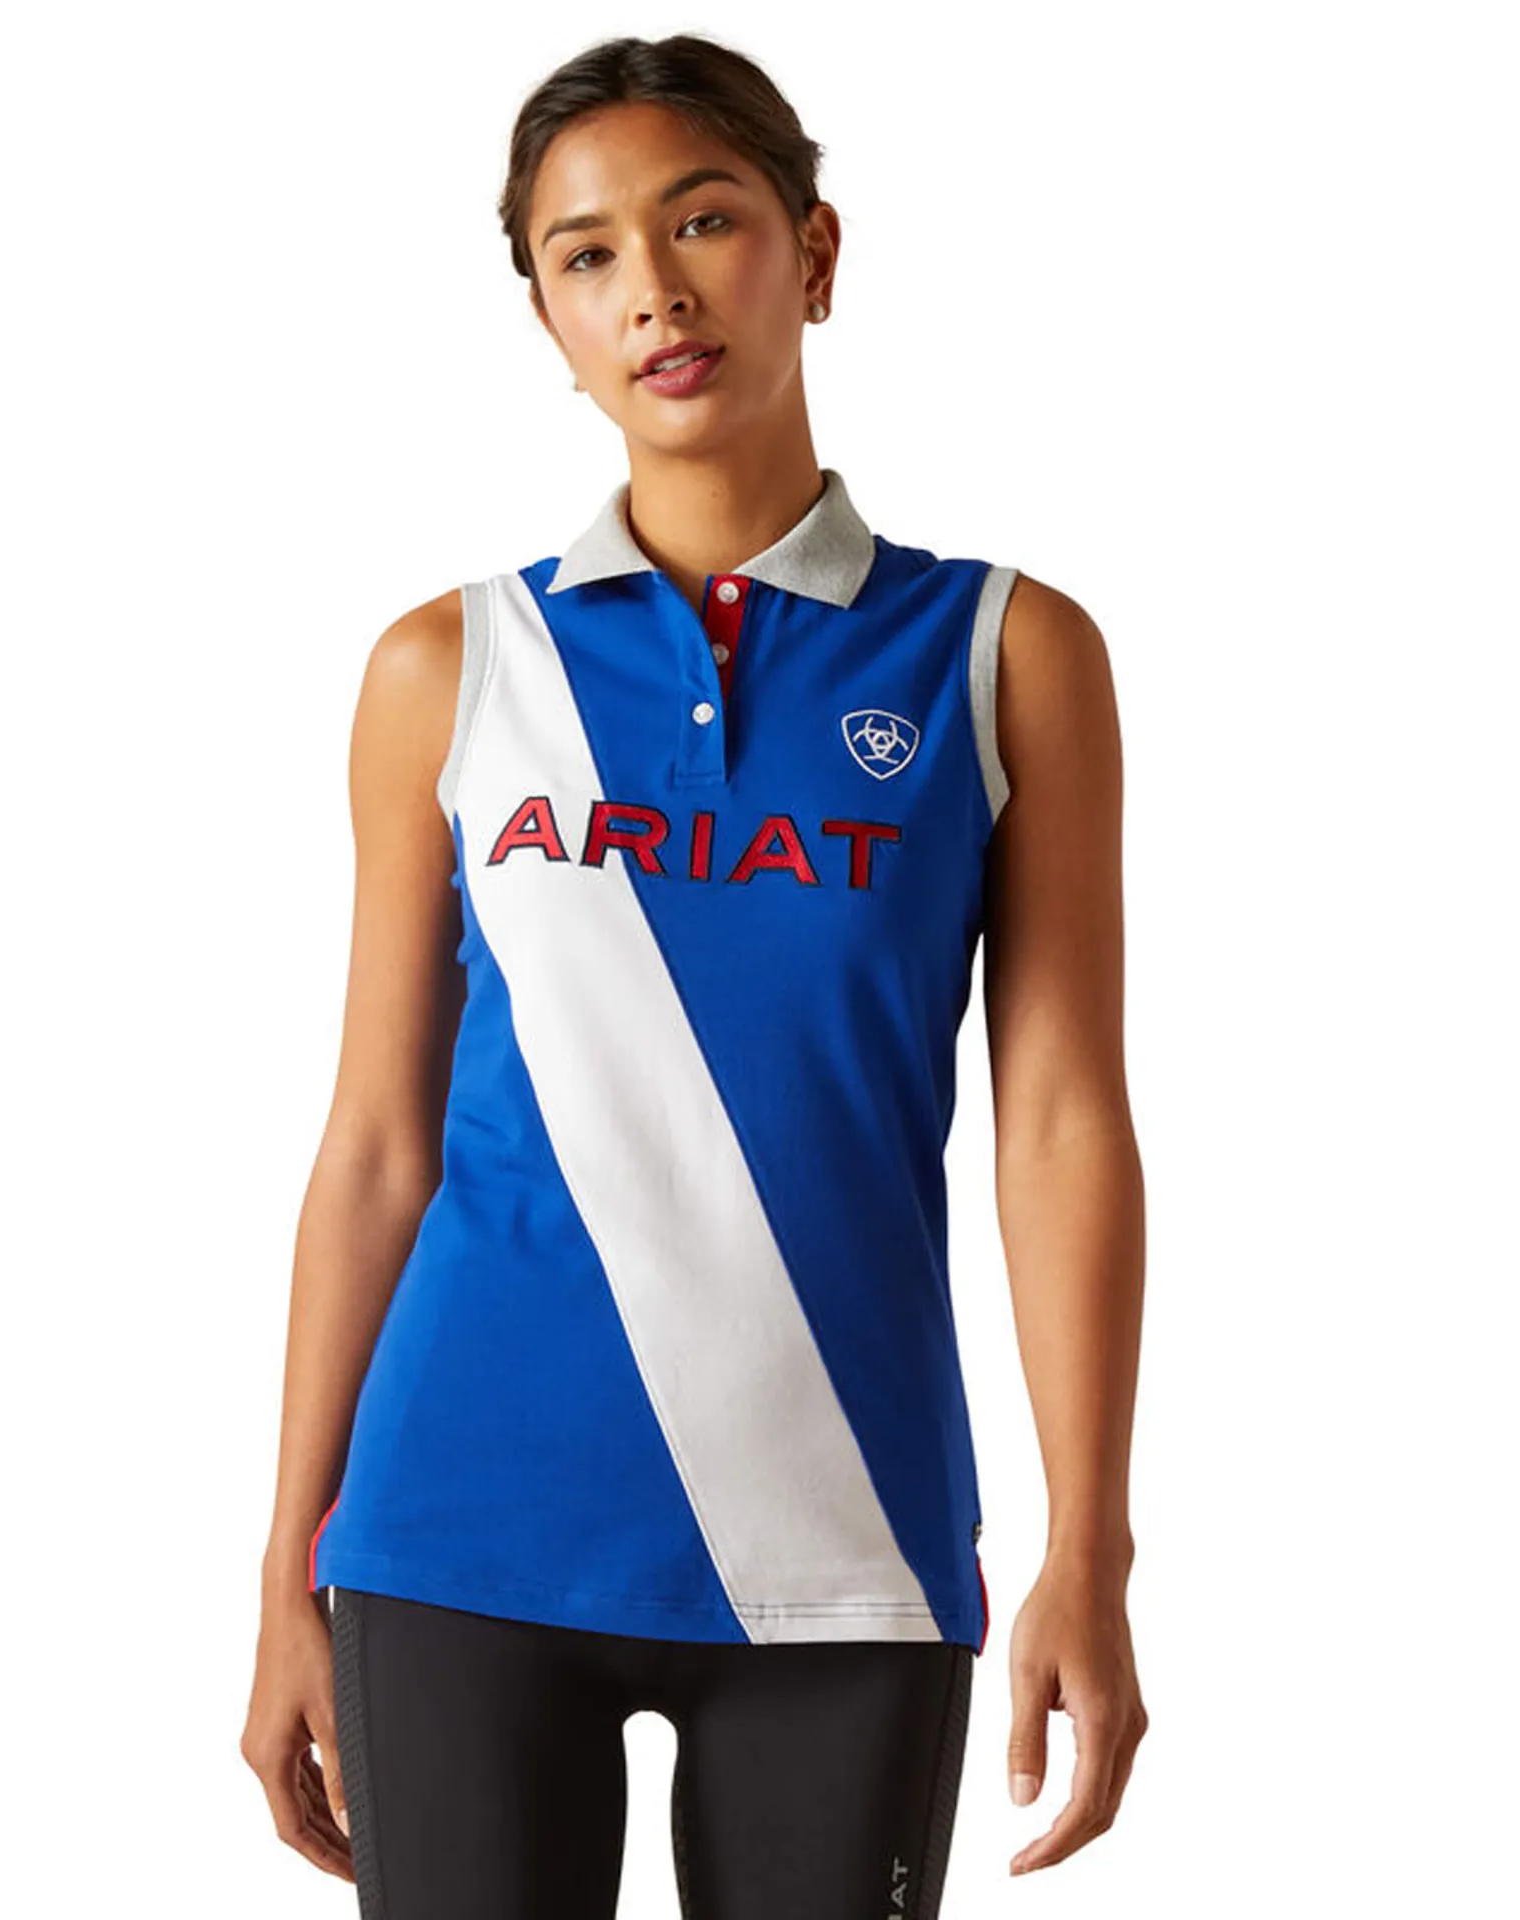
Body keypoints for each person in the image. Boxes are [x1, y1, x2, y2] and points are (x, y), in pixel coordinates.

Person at [240, 31, 1148, 1918]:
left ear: (813, 253)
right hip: (455, 1528)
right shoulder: (449, 669)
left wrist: (1093, 1545)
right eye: (584, 255)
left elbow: (1060, 1121)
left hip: (849, 1538)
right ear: (548, 321)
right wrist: (281, 1573)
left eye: (703, 221)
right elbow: (378, 1147)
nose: (650, 288)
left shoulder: (1004, 653)